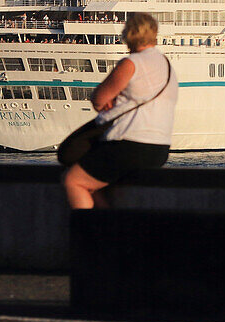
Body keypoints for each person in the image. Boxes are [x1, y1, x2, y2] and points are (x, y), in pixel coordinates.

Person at [61, 13, 178, 209]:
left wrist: (112, 99)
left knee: (74, 181)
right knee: (93, 182)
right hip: (160, 149)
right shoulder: (166, 64)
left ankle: (90, 234)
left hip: (130, 146)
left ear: (129, 34)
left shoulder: (131, 63)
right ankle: (107, 227)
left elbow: (99, 100)